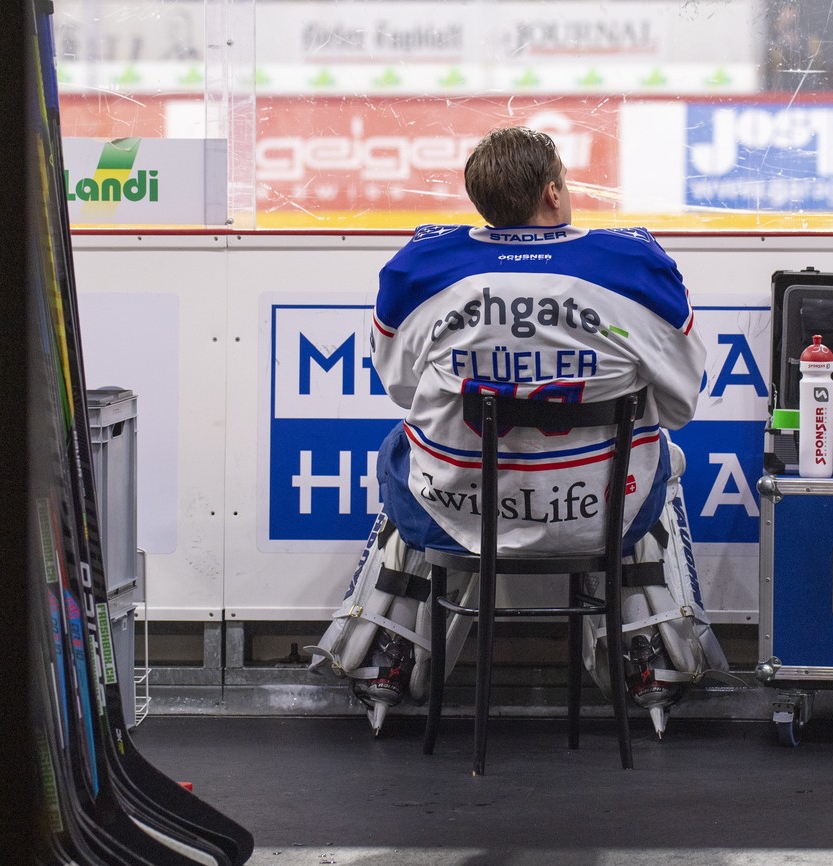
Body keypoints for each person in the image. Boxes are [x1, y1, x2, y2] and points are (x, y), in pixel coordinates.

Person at [306, 126, 730, 737]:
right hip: (597, 515)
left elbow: (402, 389)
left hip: (459, 511)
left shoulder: (422, 268)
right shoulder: (634, 266)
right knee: (655, 459)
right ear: (554, 193)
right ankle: (654, 660)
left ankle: (386, 658)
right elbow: (681, 402)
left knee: (407, 455)